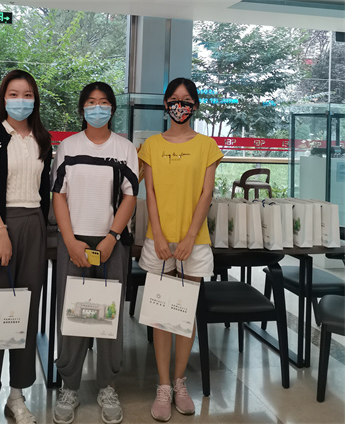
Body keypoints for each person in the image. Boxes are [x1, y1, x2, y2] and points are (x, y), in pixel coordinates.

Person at [51, 82, 139, 424]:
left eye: (103, 102)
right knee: (72, 313)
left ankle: (107, 385)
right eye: (91, 102)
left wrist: (112, 237)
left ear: (112, 109)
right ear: (82, 108)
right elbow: (58, 194)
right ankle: (69, 385)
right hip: (73, 242)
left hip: (110, 244)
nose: (97, 107)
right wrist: (70, 240)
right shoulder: (68, 146)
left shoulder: (124, 149)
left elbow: (130, 196)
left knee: (107, 316)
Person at [137, 77, 223, 422]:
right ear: (165, 104)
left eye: (186, 100)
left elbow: (206, 194)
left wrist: (188, 237)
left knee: (184, 315)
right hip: (158, 240)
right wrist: (158, 234)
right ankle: (162, 386)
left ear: (195, 106)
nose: (180, 105)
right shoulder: (151, 146)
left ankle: (180, 382)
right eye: (174, 99)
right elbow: (150, 192)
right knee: (161, 315)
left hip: (194, 242)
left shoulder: (207, 146)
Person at [0, 69, 52, 424]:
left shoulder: (42, 139)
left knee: (26, 314)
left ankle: (17, 396)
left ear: (35, 99)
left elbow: (45, 189)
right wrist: (0, 232)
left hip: (34, 226)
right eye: (14, 94)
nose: (21, 100)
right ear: (4, 98)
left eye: (27, 94)